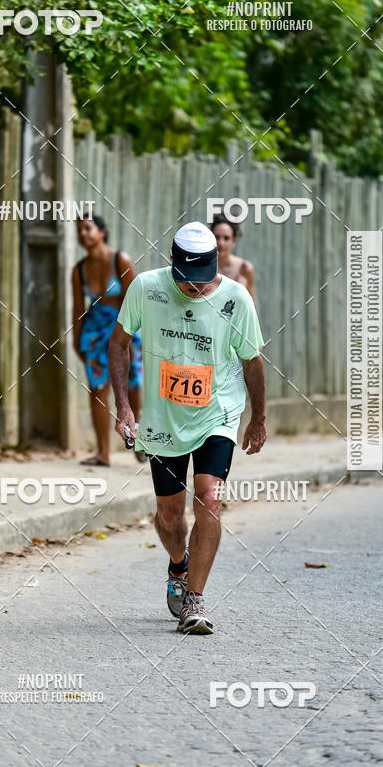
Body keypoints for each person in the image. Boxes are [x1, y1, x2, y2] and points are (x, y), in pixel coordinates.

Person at [109, 221, 266, 634]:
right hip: (163, 418)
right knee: (170, 512)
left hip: (218, 412)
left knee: (209, 498)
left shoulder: (236, 298)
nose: (195, 289)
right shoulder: (146, 288)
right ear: (173, 265)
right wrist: (125, 408)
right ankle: (178, 566)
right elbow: (119, 343)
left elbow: (252, 361)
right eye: (187, 281)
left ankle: (194, 600)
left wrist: (258, 419)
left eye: (202, 281)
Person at [72, 214, 145, 466]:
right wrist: (77, 338)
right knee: (97, 388)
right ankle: (103, 452)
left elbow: (136, 299)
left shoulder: (119, 260)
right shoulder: (79, 270)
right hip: (95, 331)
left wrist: (135, 337)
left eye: (88, 228)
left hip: (124, 327)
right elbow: (77, 308)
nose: (83, 234)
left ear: (102, 232)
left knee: (132, 386)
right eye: (79, 230)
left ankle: (137, 438)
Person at [210, 214, 256, 305]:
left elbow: (251, 307)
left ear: (234, 241)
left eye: (226, 238)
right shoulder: (201, 267)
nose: (221, 243)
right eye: (217, 237)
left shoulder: (244, 269)